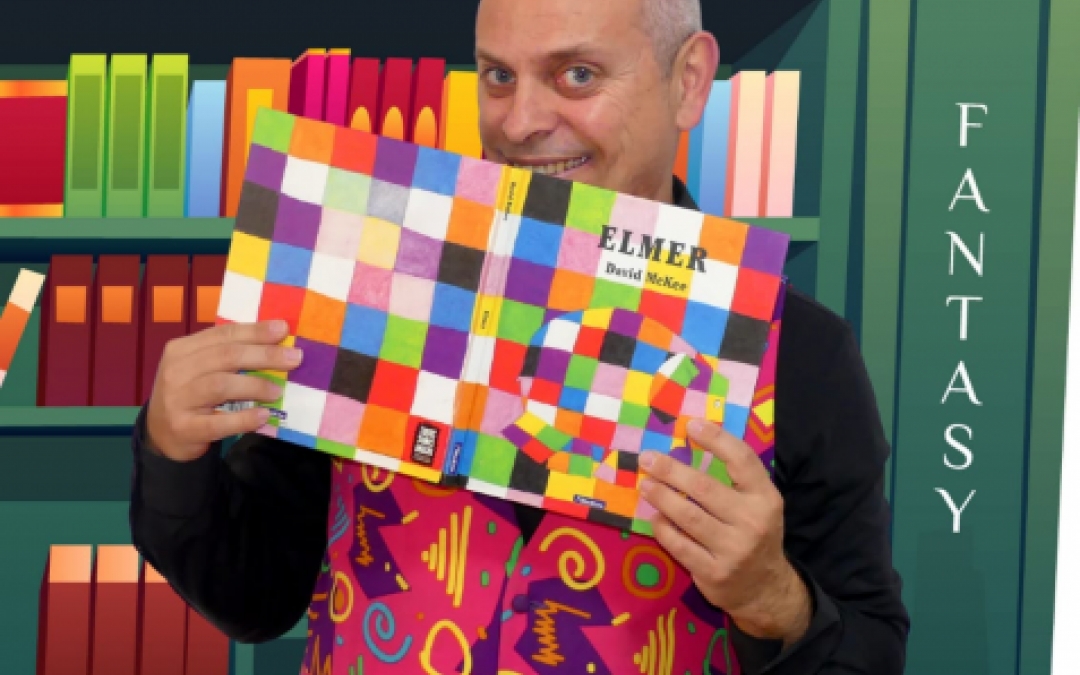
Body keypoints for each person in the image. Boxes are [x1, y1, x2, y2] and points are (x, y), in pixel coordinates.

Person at [129, 0, 910, 672]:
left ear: (690, 81)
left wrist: (774, 598)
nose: (519, 121)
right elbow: (257, 593)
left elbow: (872, 644)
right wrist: (174, 451)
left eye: (577, 75)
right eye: (498, 75)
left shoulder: (800, 353)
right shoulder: (372, 280)